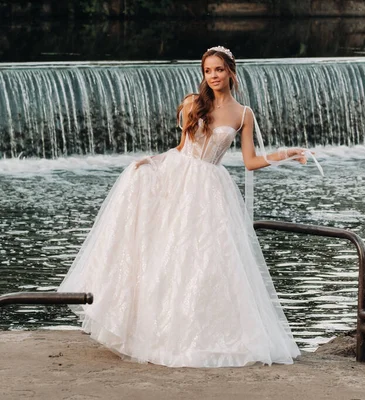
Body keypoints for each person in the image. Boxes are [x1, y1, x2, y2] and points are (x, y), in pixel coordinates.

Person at [58, 46, 320, 368]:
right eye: (208, 71)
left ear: (230, 72)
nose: (213, 76)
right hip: (179, 177)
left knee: (207, 259)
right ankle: (152, 330)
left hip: (211, 188)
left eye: (219, 70)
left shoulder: (243, 114)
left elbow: (250, 162)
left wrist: (288, 153)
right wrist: (152, 163)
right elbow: (181, 148)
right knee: (167, 252)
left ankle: (203, 335)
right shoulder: (193, 103)